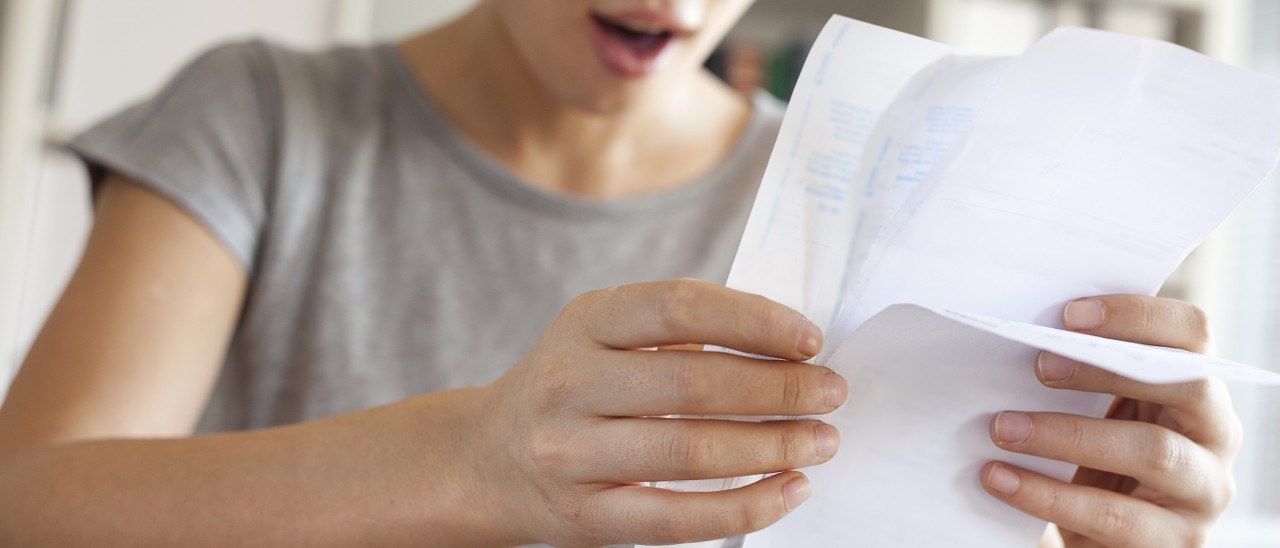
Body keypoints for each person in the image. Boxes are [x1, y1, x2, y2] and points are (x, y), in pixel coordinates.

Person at [0, 0, 1239, 546]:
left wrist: (1093, 524)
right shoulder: (264, 116)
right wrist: (472, 459)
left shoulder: (849, 206)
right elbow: (30, 500)